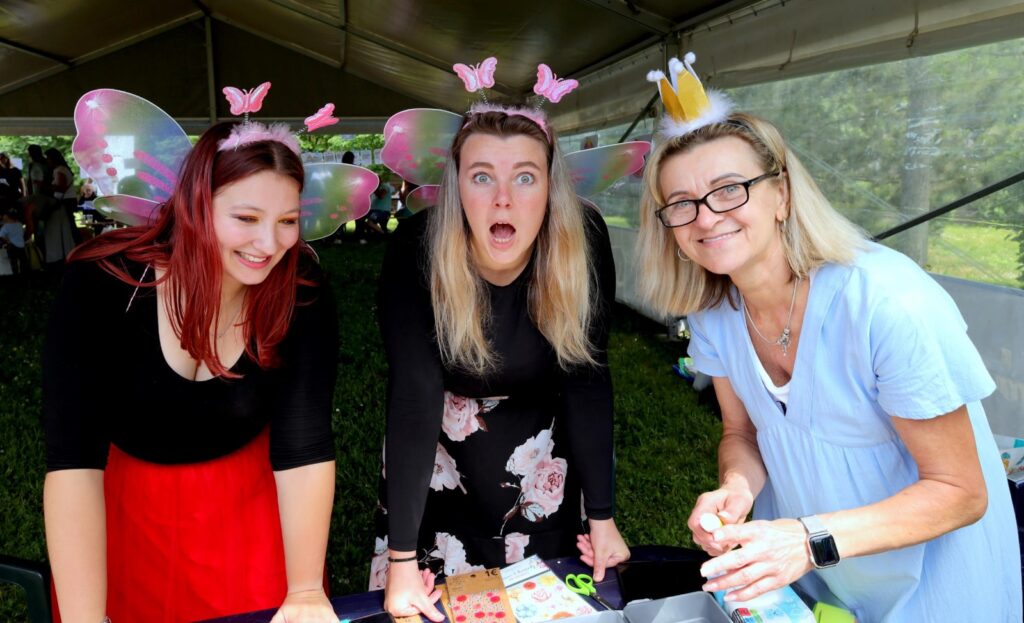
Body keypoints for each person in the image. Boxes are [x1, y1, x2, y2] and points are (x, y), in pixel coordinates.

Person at [634, 66, 1021, 620]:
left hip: (932, 585)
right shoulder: (714, 313)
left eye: (729, 189)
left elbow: (960, 491)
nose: (706, 216)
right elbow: (743, 432)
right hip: (815, 577)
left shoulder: (887, 303)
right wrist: (737, 488)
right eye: (681, 202)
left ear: (782, 195)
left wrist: (808, 539)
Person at [43, 121, 340, 623]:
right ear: (195, 204)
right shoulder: (102, 282)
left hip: (250, 513)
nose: (269, 243)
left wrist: (307, 589)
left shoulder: (300, 287)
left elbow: (304, 444)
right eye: (246, 217)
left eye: (288, 220)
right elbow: (73, 462)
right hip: (122, 511)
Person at [375, 107, 629, 621]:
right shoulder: (417, 246)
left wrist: (601, 517)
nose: (503, 199)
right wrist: (401, 558)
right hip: (441, 459)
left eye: (525, 177)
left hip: (542, 461)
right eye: (482, 176)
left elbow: (587, 378)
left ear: (551, 188)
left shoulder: (584, 239)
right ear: (457, 186)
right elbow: (414, 396)